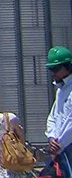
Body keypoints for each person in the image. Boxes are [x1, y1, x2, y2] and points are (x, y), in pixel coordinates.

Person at [46, 46, 72, 177]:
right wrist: (51, 137)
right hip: (60, 148)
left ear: (68, 66)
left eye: (56, 69)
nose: (53, 73)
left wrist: (58, 145)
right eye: (51, 69)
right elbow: (53, 117)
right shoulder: (60, 91)